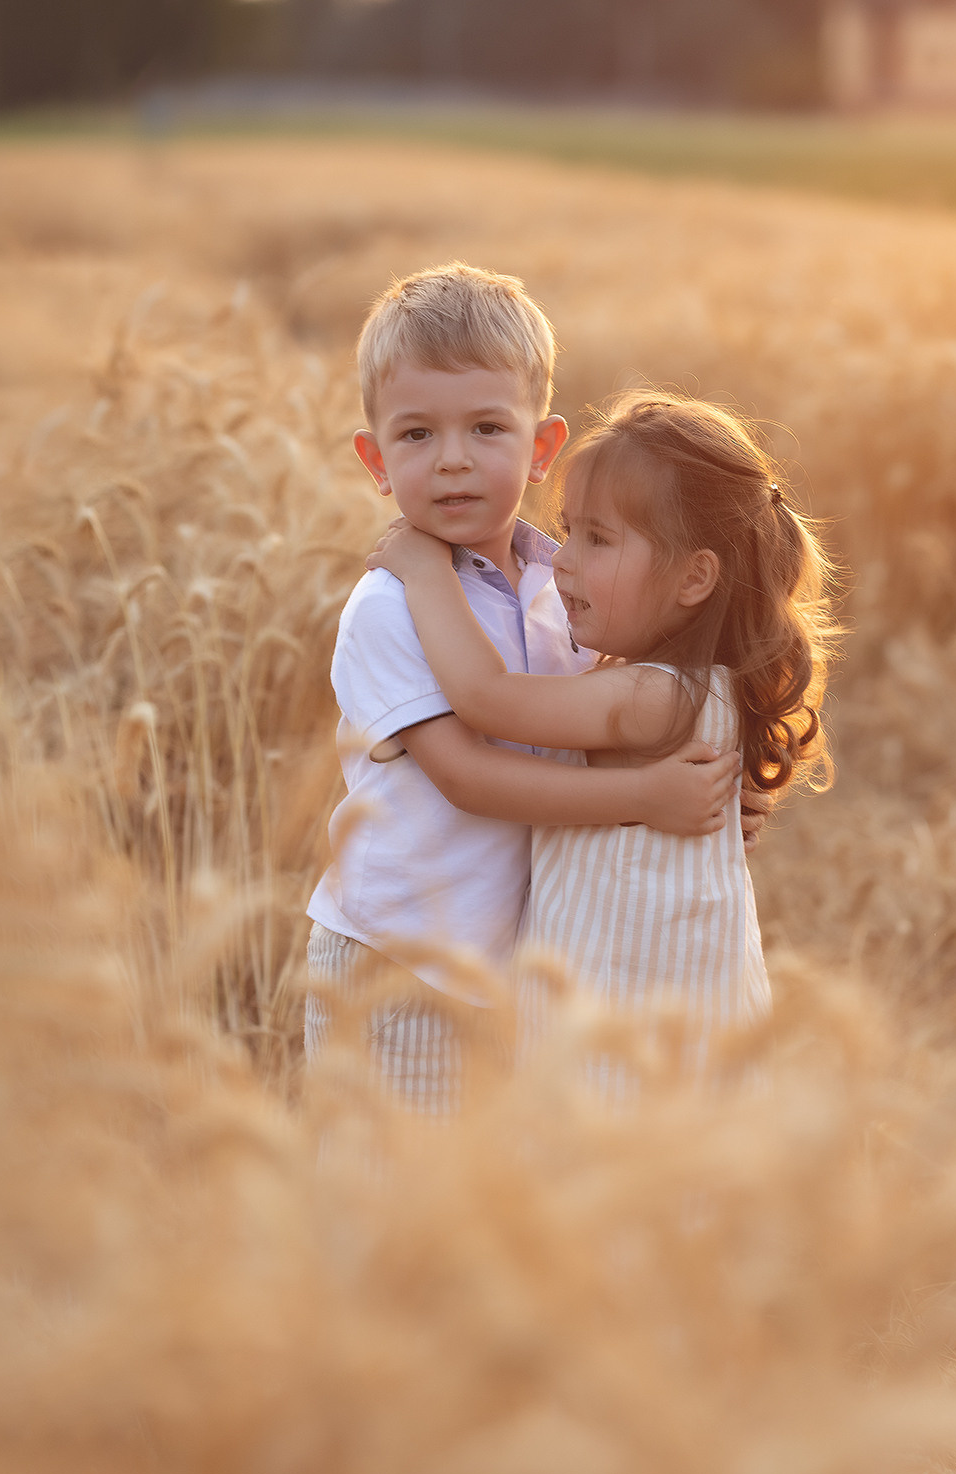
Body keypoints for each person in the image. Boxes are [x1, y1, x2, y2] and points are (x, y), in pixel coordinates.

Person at [306, 266, 741, 1113]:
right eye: (417, 435)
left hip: (514, 964)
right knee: (391, 1213)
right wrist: (644, 796)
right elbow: (467, 778)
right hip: (403, 966)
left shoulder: (560, 584)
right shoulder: (389, 605)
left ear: (542, 449)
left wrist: (717, 799)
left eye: (486, 428)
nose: (455, 459)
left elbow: (605, 722)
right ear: (376, 460)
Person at [369, 390, 839, 1095]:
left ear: (694, 577)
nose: (563, 561)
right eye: (566, 528)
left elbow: (487, 700)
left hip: (630, 1043)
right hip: (625, 1023)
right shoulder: (669, 689)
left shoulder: (657, 697)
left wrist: (425, 570)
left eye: (598, 539)